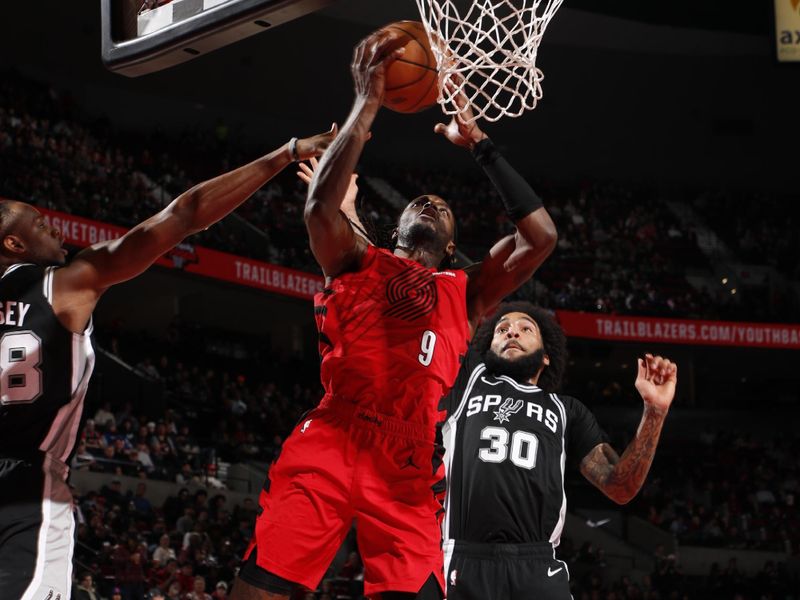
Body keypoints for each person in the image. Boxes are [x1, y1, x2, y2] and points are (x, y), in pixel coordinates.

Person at [232, 29, 557, 600]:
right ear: (395, 229)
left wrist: (479, 143)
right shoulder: (356, 261)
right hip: (333, 436)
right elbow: (318, 209)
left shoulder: (467, 289)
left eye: (444, 209)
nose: (430, 204)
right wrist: (370, 98)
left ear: (452, 248)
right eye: (418, 203)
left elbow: (541, 236)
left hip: (408, 464)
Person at [0, 127, 337, 600]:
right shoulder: (66, 284)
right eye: (38, 224)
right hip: (29, 486)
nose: (53, 227)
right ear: (13, 246)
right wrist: (283, 154)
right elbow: (184, 215)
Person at [441, 301, 678, 599]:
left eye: (526, 328)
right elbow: (469, 301)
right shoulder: (467, 381)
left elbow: (621, 487)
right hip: (464, 557)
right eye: (501, 329)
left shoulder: (567, 412)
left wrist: (654, 412)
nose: (512, 331)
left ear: (546, 357)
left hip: (537, 565)